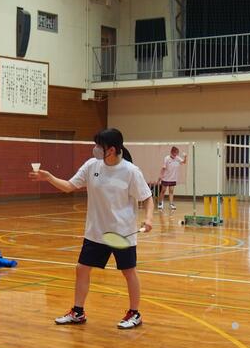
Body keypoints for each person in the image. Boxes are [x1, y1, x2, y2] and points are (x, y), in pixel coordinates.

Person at [30, 128, 154, 329]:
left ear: (111, 149)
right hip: (96, 232)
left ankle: (134, 313)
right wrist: (49, 177)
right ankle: (78, 312)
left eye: (99, 146)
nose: (95, 148)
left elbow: (147, 197)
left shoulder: (131, 171)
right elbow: (69, 186)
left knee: (128, 272)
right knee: (82, 269)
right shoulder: (91, 166)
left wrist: (148, 218)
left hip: (121, 233)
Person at [158, 146, 187, 211]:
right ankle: (160, 203)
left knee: (171, 191)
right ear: (171, 152)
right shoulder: (167, 158)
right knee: (163, 191)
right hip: (165, 178)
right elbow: (163, 168)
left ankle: (171, 204)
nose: (176, 154)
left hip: (173, 178)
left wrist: (185, 157)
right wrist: (161, 176)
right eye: (175, 153)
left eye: (177, 153)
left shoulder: (177, 158)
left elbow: (184, 162)